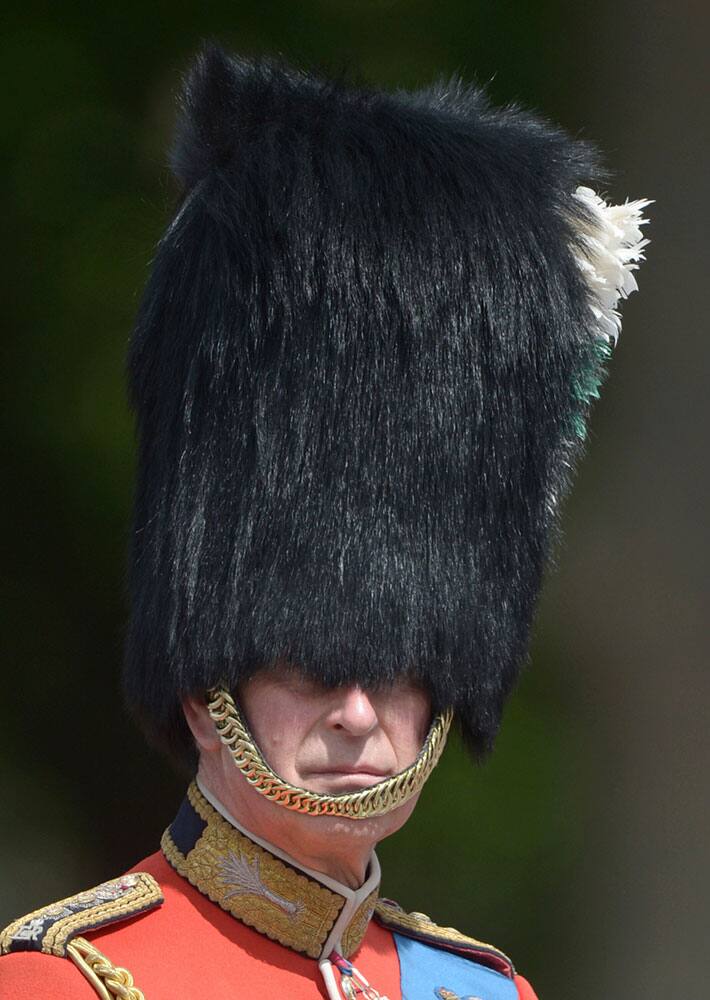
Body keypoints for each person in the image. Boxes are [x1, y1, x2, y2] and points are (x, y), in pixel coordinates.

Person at [0, 44, 649, 1000]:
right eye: (308, 663)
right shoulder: (71, 982)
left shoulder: (483, 991)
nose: (356, 714)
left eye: (392, 667)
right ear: (204, 689)